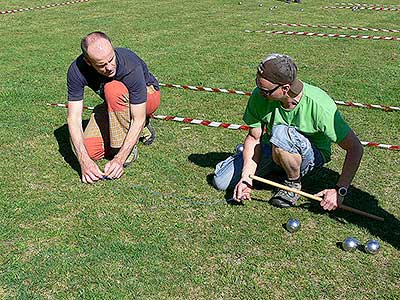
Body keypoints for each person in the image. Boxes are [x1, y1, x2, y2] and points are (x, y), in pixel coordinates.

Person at [213, 54, 363, 211]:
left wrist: (340, 190)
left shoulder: (319, 106)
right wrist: (246, 177)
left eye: (265, 90)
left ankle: (293, 183)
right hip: (273, 147)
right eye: (257, 85)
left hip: (311, 156)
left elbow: (355, 148)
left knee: (280, 132)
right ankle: (278, 169)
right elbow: (253, 138)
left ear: (285, 88)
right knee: (221, 181)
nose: (260, 92)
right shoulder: (260, 95)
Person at [67, 31, 160, 183]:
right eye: (102, 65)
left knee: (113, 89)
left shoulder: (130, 64)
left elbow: (138, 118)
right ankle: (126, 126)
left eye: (111, 59)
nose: (110, 67)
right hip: (116, 103)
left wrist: (119, 158)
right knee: (89, 150)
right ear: (88, 62)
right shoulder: (76, 71)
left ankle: (128, 146)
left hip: (147, 98)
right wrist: (84, 161)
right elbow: (74, 117)